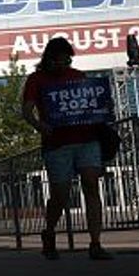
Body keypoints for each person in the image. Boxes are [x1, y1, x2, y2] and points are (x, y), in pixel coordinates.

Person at [22, 37, 112, 261]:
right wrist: (39, 126)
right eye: (59, 61)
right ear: (49, 59)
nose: (64, 65)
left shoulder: (78, 76)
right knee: (60, 194)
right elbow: (26, 110)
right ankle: (49, 231)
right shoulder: (36, 79)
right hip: (57, 143)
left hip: (87, 138)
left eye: (67, 60)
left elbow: (93, 102)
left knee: (91, 185)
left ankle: (95, 243)